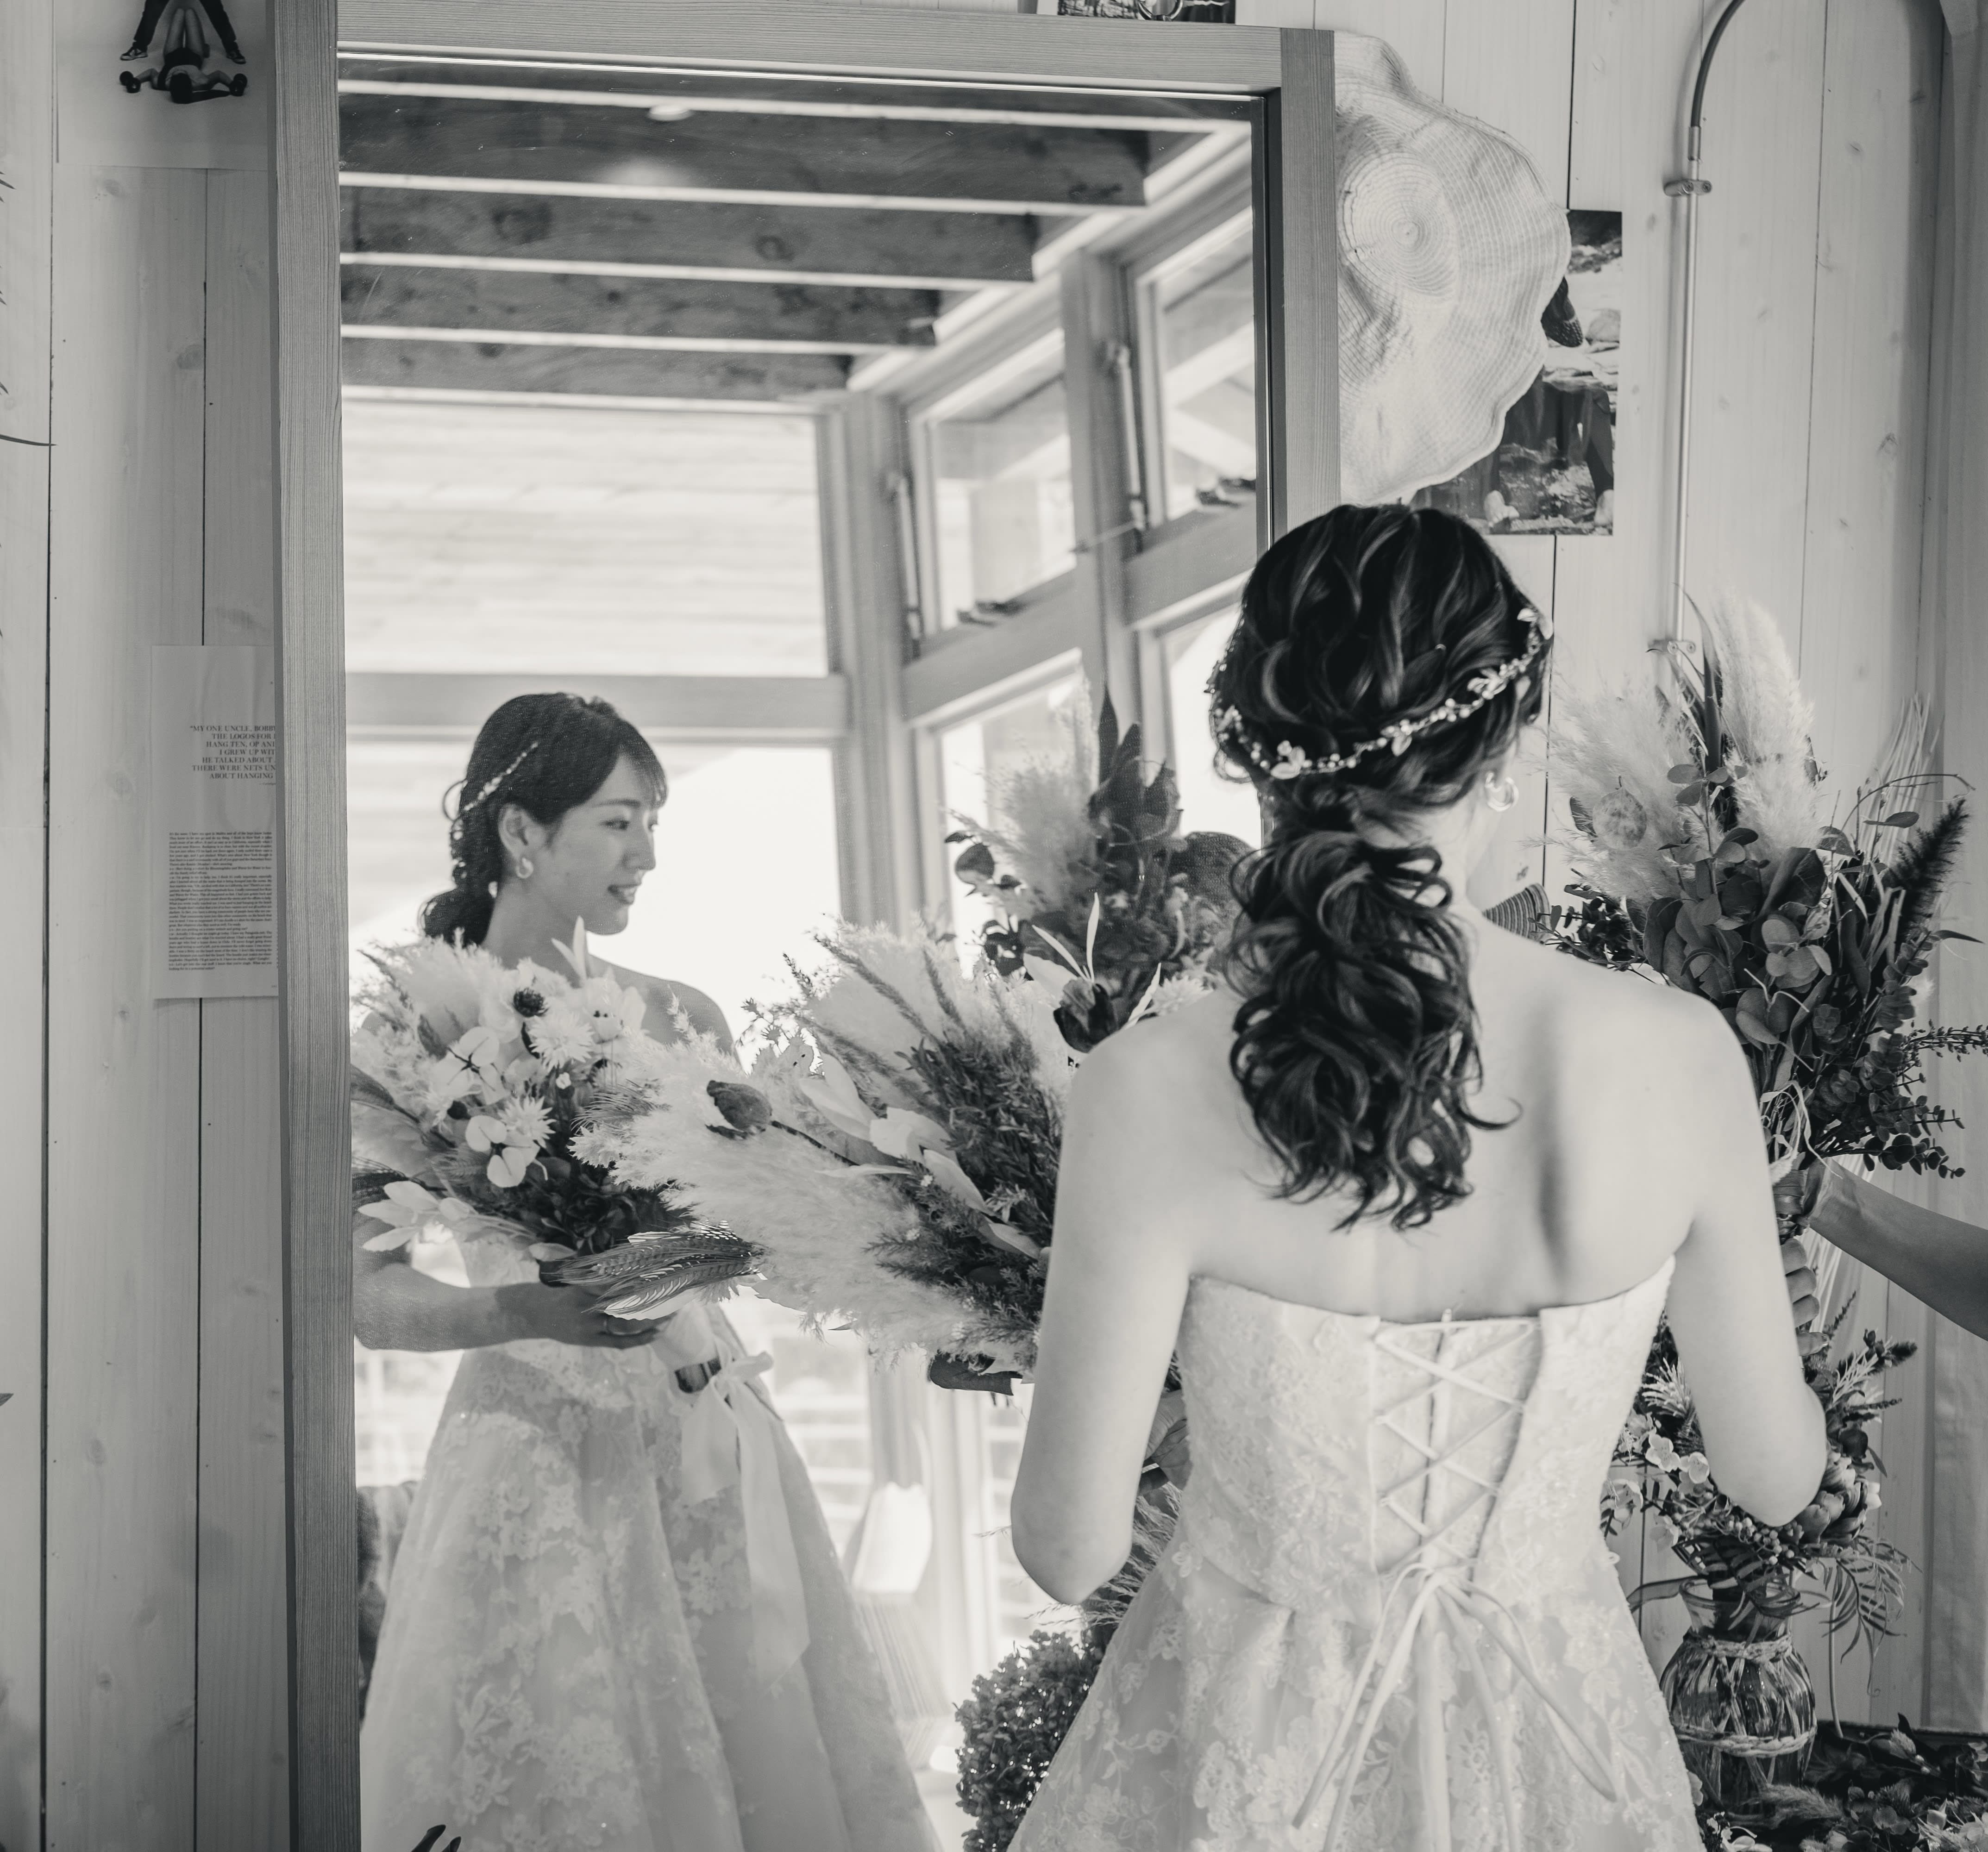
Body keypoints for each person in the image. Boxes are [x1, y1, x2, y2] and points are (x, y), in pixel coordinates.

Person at [1008, 507, 1825, 1852]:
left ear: (1260, 757)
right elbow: (1773, 1479)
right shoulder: (1679, 1055)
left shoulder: (1145, 1083)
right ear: (1500, 753)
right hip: (1562, 1761)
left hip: (1239, 1760)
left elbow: (1067, 1550)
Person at [356, 693, 936, 1852]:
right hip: (534, 1449)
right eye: (619, 822)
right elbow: (366, 1296)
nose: (648, 854)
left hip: (708, 1424)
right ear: (521, 832)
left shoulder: (684, 1015)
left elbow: (760, 1233)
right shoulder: (407, 1035)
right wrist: (527, 1307)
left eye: (652, 822)